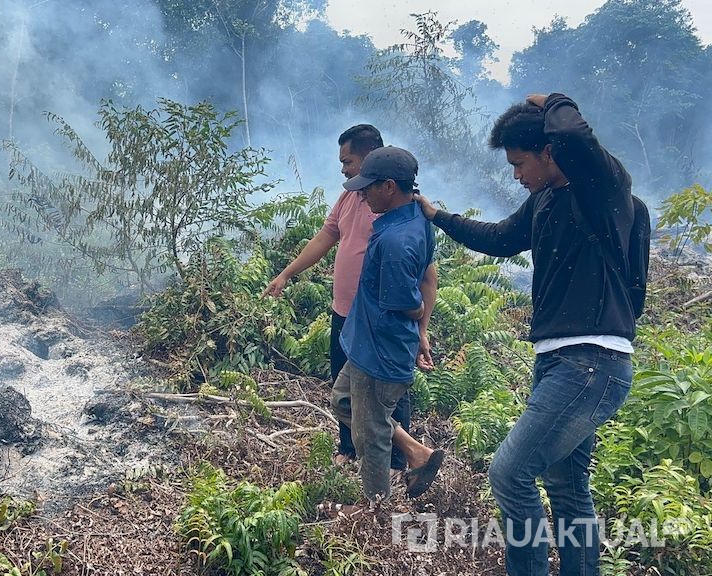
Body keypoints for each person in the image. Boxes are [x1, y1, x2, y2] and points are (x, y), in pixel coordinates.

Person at [414, 93, 638, 576]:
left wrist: (555, 99)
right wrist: (438, 217)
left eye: (520, 163)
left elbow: (576, 133)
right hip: (562, 360)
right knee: (566, 483)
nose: (516, 175)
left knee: (510, 472)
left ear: (549, 152)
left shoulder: (600, 189)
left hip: (591, 359)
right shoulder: (543, 200)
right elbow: (498, 239)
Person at [263, 125, 438, 474]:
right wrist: (286, 273)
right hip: (345, 313)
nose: (343, 169)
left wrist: (422, 327)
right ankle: (351, 446)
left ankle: (396, 462)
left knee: (386, 392)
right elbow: (325, 237)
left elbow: (427, 276)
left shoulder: (396, 210)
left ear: (372, 159)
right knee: (343, 389)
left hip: (382, 321)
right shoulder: (350, 197)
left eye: (349, 161)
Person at [327, 145, 444, 513]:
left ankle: (374, 511)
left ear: (389, 186)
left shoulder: (396, 241)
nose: (361, 193)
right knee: (343, 402)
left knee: (370, 435)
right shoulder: (414, 218)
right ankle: (416, 452)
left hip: (380, 353)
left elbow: (407, 302)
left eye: (369, 187)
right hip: (365, 343)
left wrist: (420, 317)